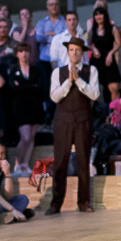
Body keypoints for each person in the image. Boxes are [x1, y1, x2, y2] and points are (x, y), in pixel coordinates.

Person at [47, 36, 99, 214]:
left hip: (83, 119)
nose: (74, 53)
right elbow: (54, 97)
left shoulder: (91, 70)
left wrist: (79, 81)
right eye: (71, 50)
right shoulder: (58, 72)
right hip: (63, 120)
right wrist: (69, 82)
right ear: (67, 52)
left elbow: (94, 94)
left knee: (83, 161)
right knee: (60, 161)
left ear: (82, 52)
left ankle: (84, 202)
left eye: (77, 50)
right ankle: (56, 203)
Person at [7, 43, 48, 175]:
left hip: (35, 106)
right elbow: (13, 88)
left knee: (31, 137)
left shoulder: (36, 70)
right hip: (20, 107)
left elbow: (41, 87)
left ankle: (25, 165)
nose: (24, 54)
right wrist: (31, 86)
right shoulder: (14, 70)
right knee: (25, 137)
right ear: (17, 54)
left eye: (26, 51)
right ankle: (17, 165)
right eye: (21, 51)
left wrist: (23, 85)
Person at [88, 6, 121, 102]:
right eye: (96, 15)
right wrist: (94, 48)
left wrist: (111, 53)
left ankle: (114, 112)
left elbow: (119, 43)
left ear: (105, 15)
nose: (98, 17)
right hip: (97, 61)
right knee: (93, 88)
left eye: (100, 14)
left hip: (109, 60)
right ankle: (97, 113)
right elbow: (88, 44)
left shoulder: (112, 28)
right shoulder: (92, 30)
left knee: (114, 88)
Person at [34, 0, 66, 72]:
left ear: (59, 6)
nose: (54, 7)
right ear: (47, 7)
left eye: (56, 4)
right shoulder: (41, 23)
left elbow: (66, 37)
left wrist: (51, 33)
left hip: (61, 57)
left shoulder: (65, 21)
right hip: (45, 58)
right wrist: (58, 35)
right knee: (46, 83)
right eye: (51, 5)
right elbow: (39, 38)